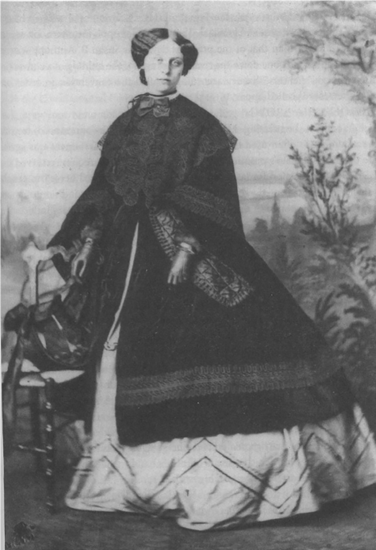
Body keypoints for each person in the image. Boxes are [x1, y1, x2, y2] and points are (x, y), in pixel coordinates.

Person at [49, 28, 376, 530]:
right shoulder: (122, 126)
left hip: (185, 254)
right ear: (141, 64)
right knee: (117, 351)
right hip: (123, 257)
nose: (166, 69)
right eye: (158, 60)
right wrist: (85, 242)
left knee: (229, 339)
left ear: (185, 69)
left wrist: (185, 248)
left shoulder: (200, 125)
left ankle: (226, 491)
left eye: (176, 62)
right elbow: (101, 192)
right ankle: (123, 483)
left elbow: (217, 199)